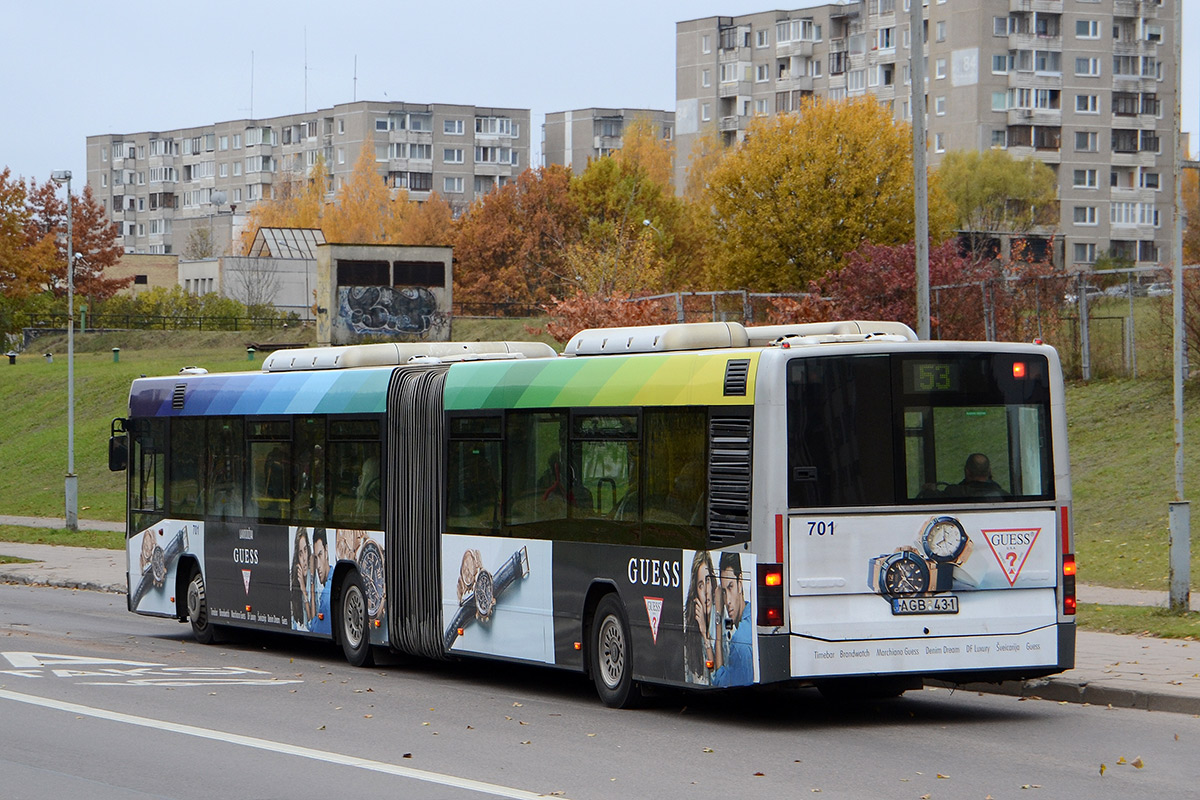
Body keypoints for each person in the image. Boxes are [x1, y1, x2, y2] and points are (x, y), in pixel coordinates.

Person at [711, 551, 753, 687]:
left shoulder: (739, 641)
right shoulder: (753, 618)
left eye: (730, 587)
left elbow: (721, 682)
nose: (727, 600)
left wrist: (718, 613)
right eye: (723, 591)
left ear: (740, 582)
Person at [684, 550, 718, 684]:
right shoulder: (690, 637)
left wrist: (705, 634)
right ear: (695, 593)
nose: (705, 591)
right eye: (700, 585)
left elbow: (717, 675)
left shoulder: (723, 621)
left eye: (708, 581)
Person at [310, 529, 333, 634]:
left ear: (326, 551)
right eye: (315, 558)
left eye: (320, 555)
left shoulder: (327, 594)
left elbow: (315, 630)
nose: (318, 565)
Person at [291, 527, 314, 630]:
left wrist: (304, 591)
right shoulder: (294, 583)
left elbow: (312, 623)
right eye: (300, 554)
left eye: (305, 550)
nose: (304, 558)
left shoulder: (313, 578)